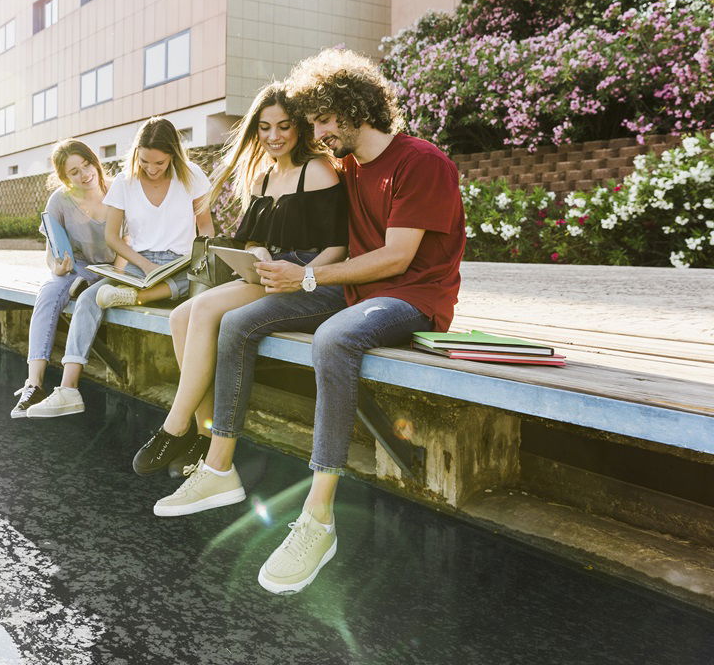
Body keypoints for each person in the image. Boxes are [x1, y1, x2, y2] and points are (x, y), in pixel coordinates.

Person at [151, 49, 465, 597]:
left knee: (333, 340)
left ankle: (318, 517)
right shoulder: (345, 166)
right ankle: (219, 465)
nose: (315, 132)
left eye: (322, 119)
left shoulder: (422, 162)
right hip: (346, 290)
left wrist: (308, 278)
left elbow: (396, 259)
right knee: (235, 323)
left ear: (353, 108)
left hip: (412, 297)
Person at [130, 83, 348, 479]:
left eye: (283, 126)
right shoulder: (263, 179)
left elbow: (339, 245)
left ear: (298, 127)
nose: (274, 136)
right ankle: (200, 432)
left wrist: (305, 276)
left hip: (305, 275)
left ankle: (173, 427)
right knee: (180, 316)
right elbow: (253, 238)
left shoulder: (316, 171)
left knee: (208, 308)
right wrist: (258, 253)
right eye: (264, 128)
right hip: (265, 271)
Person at [27, 117, 214, 418]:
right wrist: (144, 264)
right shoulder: (126, 182)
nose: (151, 169)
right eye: (145, 161)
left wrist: (204, 261)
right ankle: (68, 389)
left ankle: (142, 295)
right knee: (89, 298)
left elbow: (205, 227)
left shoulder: (191, 175)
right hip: (141, 264)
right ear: (136, 153)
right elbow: (113, 237)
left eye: (160, 163)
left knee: (195, 282)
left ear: (174, 156)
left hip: (183, 261)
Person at [11, 140, 116, 418]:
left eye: (87, 165)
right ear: (64, 178)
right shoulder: (59, 199)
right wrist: (57, 269)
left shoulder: (118, 191)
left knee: (85, 298)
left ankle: (68, 387)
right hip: (78, 268)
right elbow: (51, 255)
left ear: (95, 161)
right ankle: (33, 384)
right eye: (74, 172)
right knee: (47, 292)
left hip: (114, 269)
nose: (85, 174)